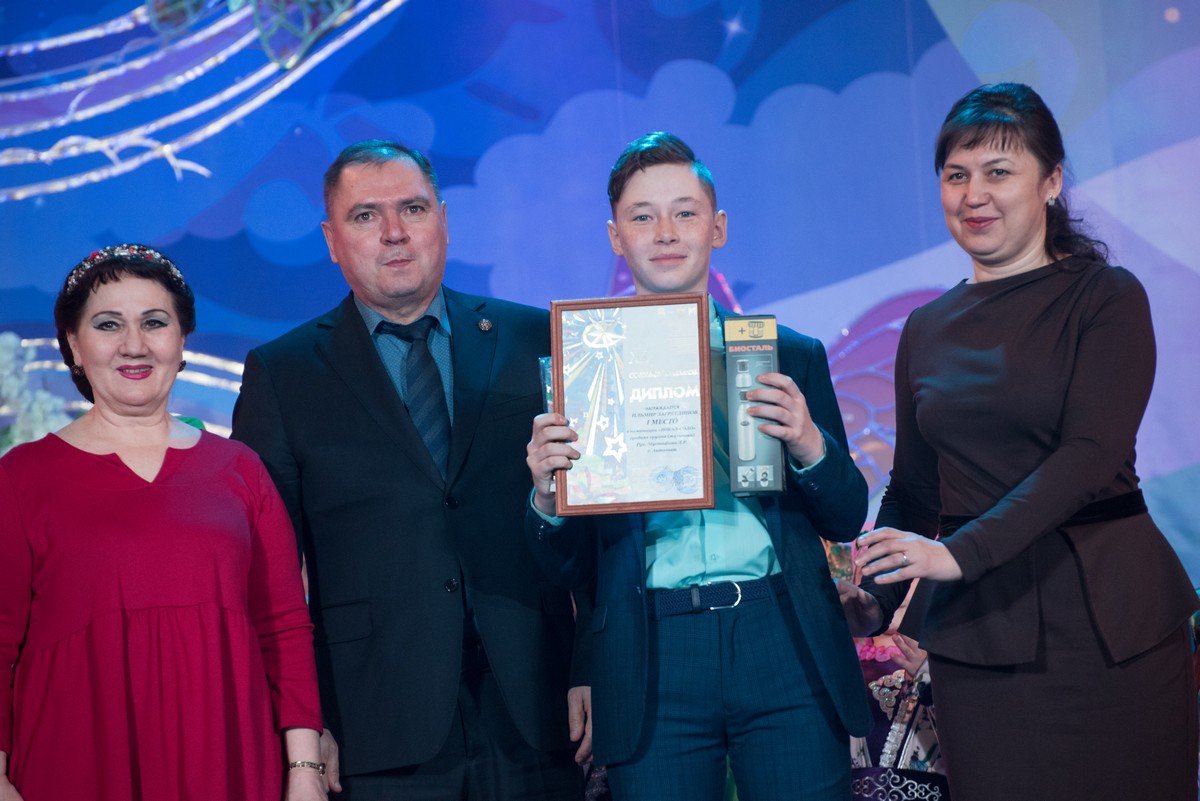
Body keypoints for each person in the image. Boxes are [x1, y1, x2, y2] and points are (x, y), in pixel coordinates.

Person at [852, 83, 1199, 800]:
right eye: (957, 175)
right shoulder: (925, 328)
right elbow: (915, 489)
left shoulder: (1106, 296)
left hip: (1110, 622)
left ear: (1051, 181)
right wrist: (871, 597)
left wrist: (955, 553)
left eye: (998, 171)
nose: (974, 194)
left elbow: (1089, 455)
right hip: (982, 638)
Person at [231, 140, 588, 799]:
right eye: (366, 216)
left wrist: (589, 665)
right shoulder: (282, 375)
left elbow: (592, 524)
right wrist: (303, 725)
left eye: (413, 209)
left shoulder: (536, 339)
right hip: (375, 720)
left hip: (537, 704)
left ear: (443, 221)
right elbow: (267, 574)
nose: (394, 232)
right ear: (331, 240)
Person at [525, 132, 872, 801]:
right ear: (615, 236)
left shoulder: (786, 354)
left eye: (685, 212)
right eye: (643, 216)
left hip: (780, 632)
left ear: (717, 227)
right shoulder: (585, 368)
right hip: (653, 648)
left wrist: (808, 443)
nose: (666, 232)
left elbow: (846, 514)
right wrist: (547, 497)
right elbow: (568, 567)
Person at [0, 244, 325, 801]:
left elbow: (284, 630)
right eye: (108, 325)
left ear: (181, 340)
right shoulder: (20, 478)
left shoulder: (242, 471)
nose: (134, 344)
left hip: (227, 761)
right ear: (74, 345)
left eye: (154, 322)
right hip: (75, 764)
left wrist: (304, 769)